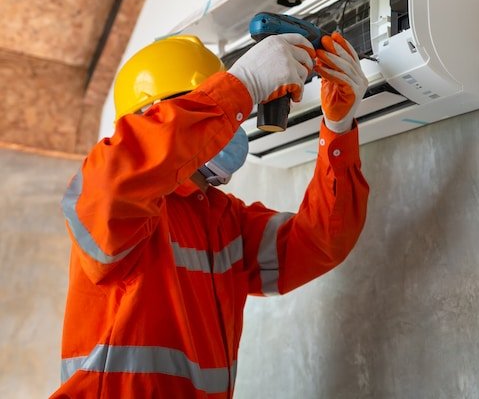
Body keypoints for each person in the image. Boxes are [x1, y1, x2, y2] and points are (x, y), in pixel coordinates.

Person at [52, 31, 370, 398]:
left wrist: (338, 129)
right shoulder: (120, 202)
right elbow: (112, 185)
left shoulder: (224, 221)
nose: (229, 122)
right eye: (208, 102)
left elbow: (321, 241)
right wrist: (241, 86)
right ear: (152, 118)